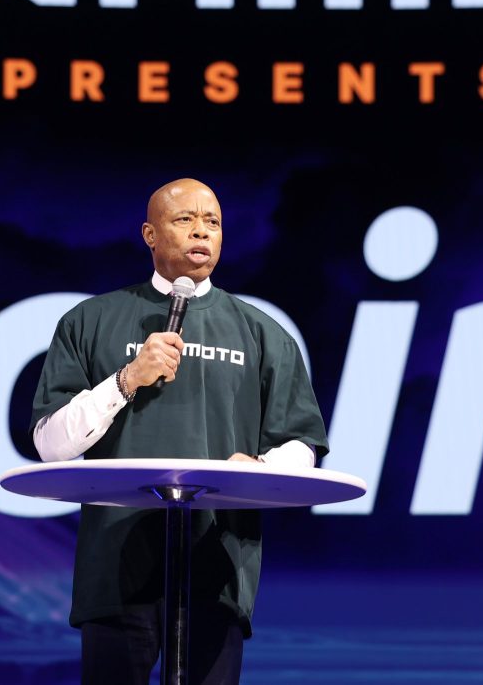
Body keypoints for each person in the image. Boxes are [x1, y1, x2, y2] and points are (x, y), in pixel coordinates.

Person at [31, 178, 328, 685]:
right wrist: (127, 379)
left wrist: (261, 467)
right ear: (150, 234)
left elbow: (302, 444)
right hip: (116, 563)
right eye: (184, 219)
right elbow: (50, 445)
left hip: (217, 560)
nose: (201, 232)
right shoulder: (90, 320)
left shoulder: (264, 333)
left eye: (212, 222)